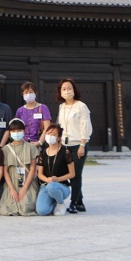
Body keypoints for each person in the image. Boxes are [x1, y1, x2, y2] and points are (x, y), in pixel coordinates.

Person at [56, 78, 92, 213]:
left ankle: (73, 202)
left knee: (76, 174)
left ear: (74, 90)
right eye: (63, 89)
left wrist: (83, 144)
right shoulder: (62, 107)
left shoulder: (81, 106)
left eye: (69, 88)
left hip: (78, 145)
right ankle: (80, 201)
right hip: (65, 145)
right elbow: (60, 125)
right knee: (68, 173)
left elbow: (85, 126)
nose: (67, 91)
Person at [0, 118, 38, 216]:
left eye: (19, 130)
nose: (16, 133)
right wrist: (12, 189)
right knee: (7, 208)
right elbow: (5, 171)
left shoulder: (31, 147)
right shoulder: (5, 149)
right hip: (11, 181)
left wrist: (24, 189)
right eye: (13, 131)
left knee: (25, 207)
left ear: (24, 131)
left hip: (27, 180)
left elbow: (33, 169)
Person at [35, 124, 75, 216]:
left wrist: (57, 179)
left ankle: (60, 203)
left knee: (52, 186)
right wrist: (47, 180)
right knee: (42, 211)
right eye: (48, 133)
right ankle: (53, 203)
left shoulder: (66, 152)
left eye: (53, 134)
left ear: (58, 138)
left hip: (61, 186)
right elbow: (40, 174)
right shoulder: (43, 153)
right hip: (46, 185)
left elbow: (72, 174)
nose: (50, 136)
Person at [15, 81, 52, 147]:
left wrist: (40, 142)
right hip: (23, 144)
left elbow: (47, 127)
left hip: (38, 144)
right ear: (22, 94)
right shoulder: (20, 110)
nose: (28, 94)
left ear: (35, 93)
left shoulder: (42, 108)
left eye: (31, 92)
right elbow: (16, 128)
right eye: (26, 92)